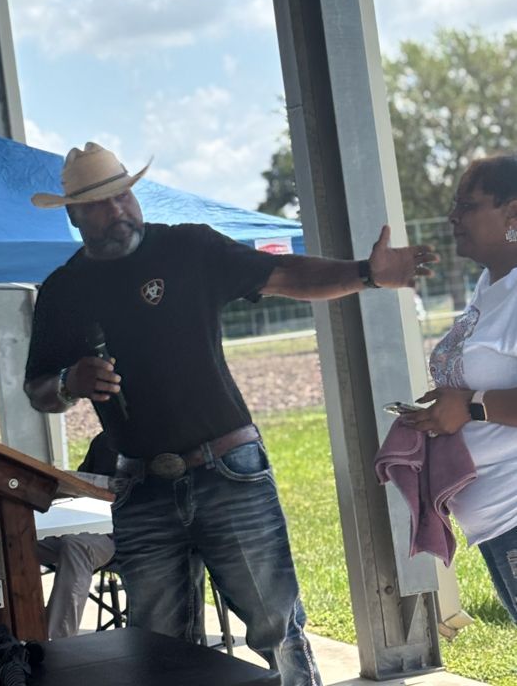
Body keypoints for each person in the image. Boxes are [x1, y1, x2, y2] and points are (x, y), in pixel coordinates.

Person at [24, 142, 437, 686]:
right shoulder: (62, 291)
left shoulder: (188, 247)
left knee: (277, 632)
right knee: (159, 650)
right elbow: (37, 389)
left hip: (229, 470)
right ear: (75, 216)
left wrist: (367, 273)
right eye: (101, 203)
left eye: (125, 194)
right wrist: (68, 382)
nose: (120, 209)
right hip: (140, 489)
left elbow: (285, 274)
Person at [399, 154, 517, 622]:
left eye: (467, 205)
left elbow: (475, 402)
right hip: (500, 520)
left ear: (513, 214)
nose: (453, 217)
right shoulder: (492, 283)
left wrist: (473, 408)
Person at [36, 432, 116, 638]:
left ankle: (56, 643)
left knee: (76, 546)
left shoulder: (153, 442)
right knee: (13, 541)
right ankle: (12, 632)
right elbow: (77, 485)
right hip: (80, 525)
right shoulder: (103, 441)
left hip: (122, 536)